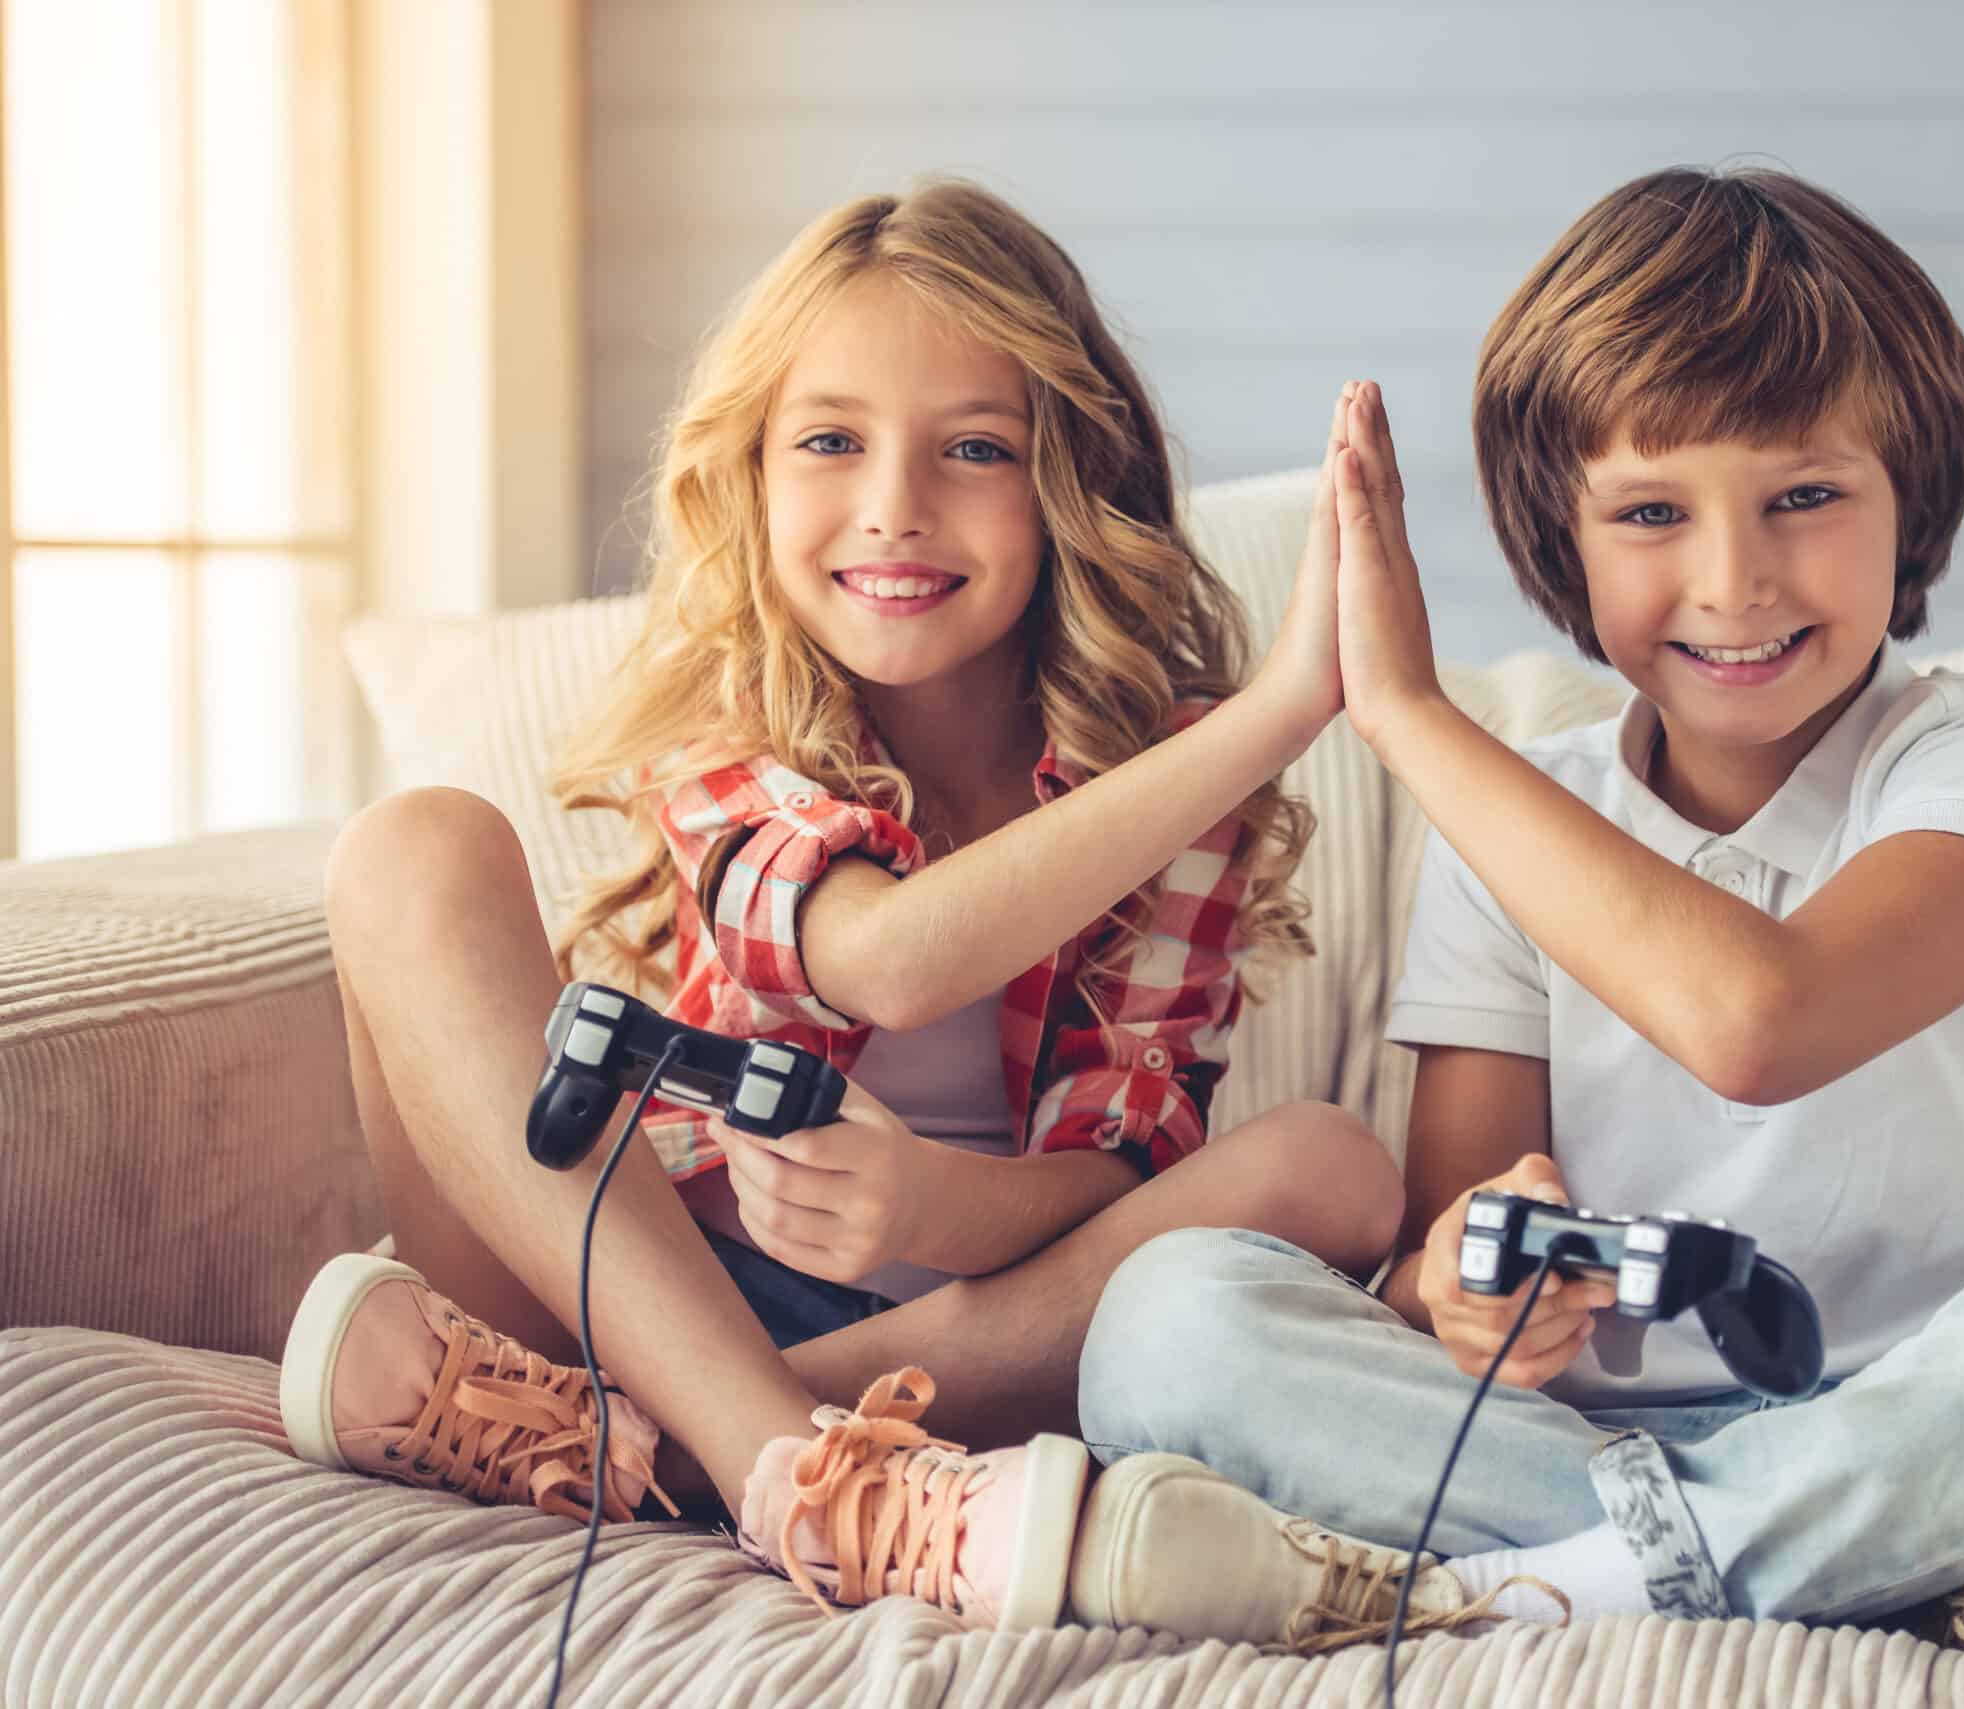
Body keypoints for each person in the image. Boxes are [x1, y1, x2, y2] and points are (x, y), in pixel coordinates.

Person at [1066, 168, 1964, 1688]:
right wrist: (1457, 1290)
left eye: (1804, 496)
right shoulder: (1519, 817)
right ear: (1566, 533)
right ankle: (1919, 1593)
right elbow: (1450, 1246)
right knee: (1162, 1318)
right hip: (1597, 1445)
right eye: (1654, 513)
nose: (1734, 580)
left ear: (1907, 499)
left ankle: (1569, 1584)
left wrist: (1403, 713)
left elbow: (1762, 1021)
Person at [276, 179, 1403, 1627]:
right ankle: (792, 1468)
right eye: (830, 441)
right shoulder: (731, 741)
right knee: (406, 847)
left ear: (1067, 483)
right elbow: (885, 960)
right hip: (642, 1288)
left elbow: (1123, 1168)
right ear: (752, 471)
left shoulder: (1158, 780)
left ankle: (631, 1451)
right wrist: (1281, 706)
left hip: (965, 1330)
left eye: (974, 449)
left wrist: (936, 1199)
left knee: (1331, 1170)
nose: (894, 509)